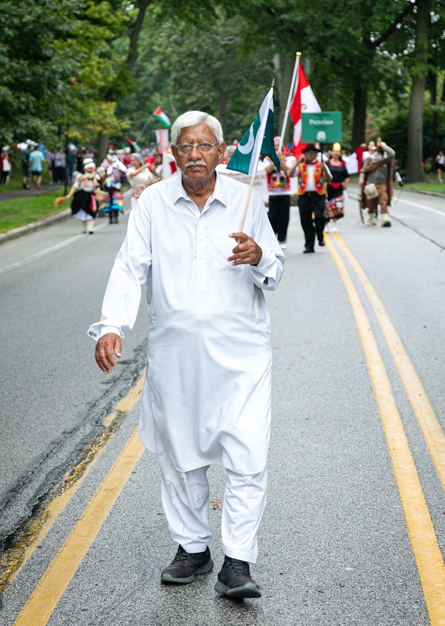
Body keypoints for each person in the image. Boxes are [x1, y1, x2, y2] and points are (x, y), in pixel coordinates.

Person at [89, 110, 285, 599]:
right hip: (174, 357)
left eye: (204, 146)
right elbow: (129, 268)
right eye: (185, 146)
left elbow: (275, 267)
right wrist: (112, 326)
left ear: (221, 152)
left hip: (241, 358)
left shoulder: (245, 199)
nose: (195, 155)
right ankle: (192, 548)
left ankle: (237, 562)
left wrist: (258, 256)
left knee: (248, 456)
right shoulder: (153, 203)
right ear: (172, 153)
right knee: (180, 458)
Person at [286, 143, 331, 253]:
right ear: (304, 154)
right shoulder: (301, 166)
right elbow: (290, 175)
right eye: (308, 152)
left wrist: (324, 169)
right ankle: (309, 245)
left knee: (319, 217)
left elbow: (329, 180)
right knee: (305, 221)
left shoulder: (321, 165)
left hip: (318, 195)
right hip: (304, 197)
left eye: (313, 152)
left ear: (316, 154)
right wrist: (297, 162)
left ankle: (320, 235)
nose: (310, 154)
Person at [265, 137, 296, 249]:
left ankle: (282, 239)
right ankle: (273, 238)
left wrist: (281, 160)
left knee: (284, 216)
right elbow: (268, 170)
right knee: (272, 216)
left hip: (285, 192)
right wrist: (274, 160)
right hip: (273, 193)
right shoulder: (267, 159)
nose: (277, 148)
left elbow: (288, 171)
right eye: (275, 146)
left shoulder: (289, 159)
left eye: (279, 146)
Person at [359, 137, 395, 227]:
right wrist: (361, 179)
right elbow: (364, 170)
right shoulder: (370, 160)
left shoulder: (387, 160)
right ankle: (371, 219)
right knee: (370, 202)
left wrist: (383, 145)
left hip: (382, 185)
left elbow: (393, 153)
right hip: (370, 184)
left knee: (384, 200)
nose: (379, 152)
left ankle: (385, 218)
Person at [64, 157, 100, 234]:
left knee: (92, 211)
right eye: (90, 168)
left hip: (92, 196)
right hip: (83, 195)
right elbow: (75, 186)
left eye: (92, 168)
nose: (91, 169)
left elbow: (98, 186)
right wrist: (70, 195)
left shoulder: (96, 176)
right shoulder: (81, 177)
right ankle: (85, 228)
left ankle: (90, 228)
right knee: (83, 211)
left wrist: (97, 185)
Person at [324, 142, 349, 233]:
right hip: (328, 187)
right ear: (331, 152)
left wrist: (346, 183)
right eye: (334, 151)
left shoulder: (342, 165)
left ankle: (334, 224)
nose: (336, 153)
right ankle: (326, 224)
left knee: (338, 207)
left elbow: (346, 176)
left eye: (338, 151)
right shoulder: (327, 163)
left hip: (338, 188)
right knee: (327, 207)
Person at [97, 150, 127, 224]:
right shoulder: (105, 165)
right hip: (107, 186)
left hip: (116, 185)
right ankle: (110, 217)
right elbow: (99, 173)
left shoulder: (118, 164)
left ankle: (116, 216)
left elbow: (125, 171)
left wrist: (117, 169)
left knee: (115, 200)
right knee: (108, 200)